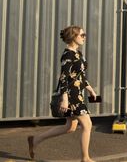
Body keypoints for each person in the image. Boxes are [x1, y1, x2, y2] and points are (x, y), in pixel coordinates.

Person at [28, 25, 97, 162]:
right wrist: (65, 99)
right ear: (73, 37)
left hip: (77, 93)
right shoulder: (67, 55)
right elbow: (64, 77)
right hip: (71, 95)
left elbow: (79, 76)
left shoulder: (78, 54)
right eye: (82, 35)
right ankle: (85, 158)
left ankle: (35, 139)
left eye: (84, 35)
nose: (84, 37)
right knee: (87, 125)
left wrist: (90, 89)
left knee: (70, 127)